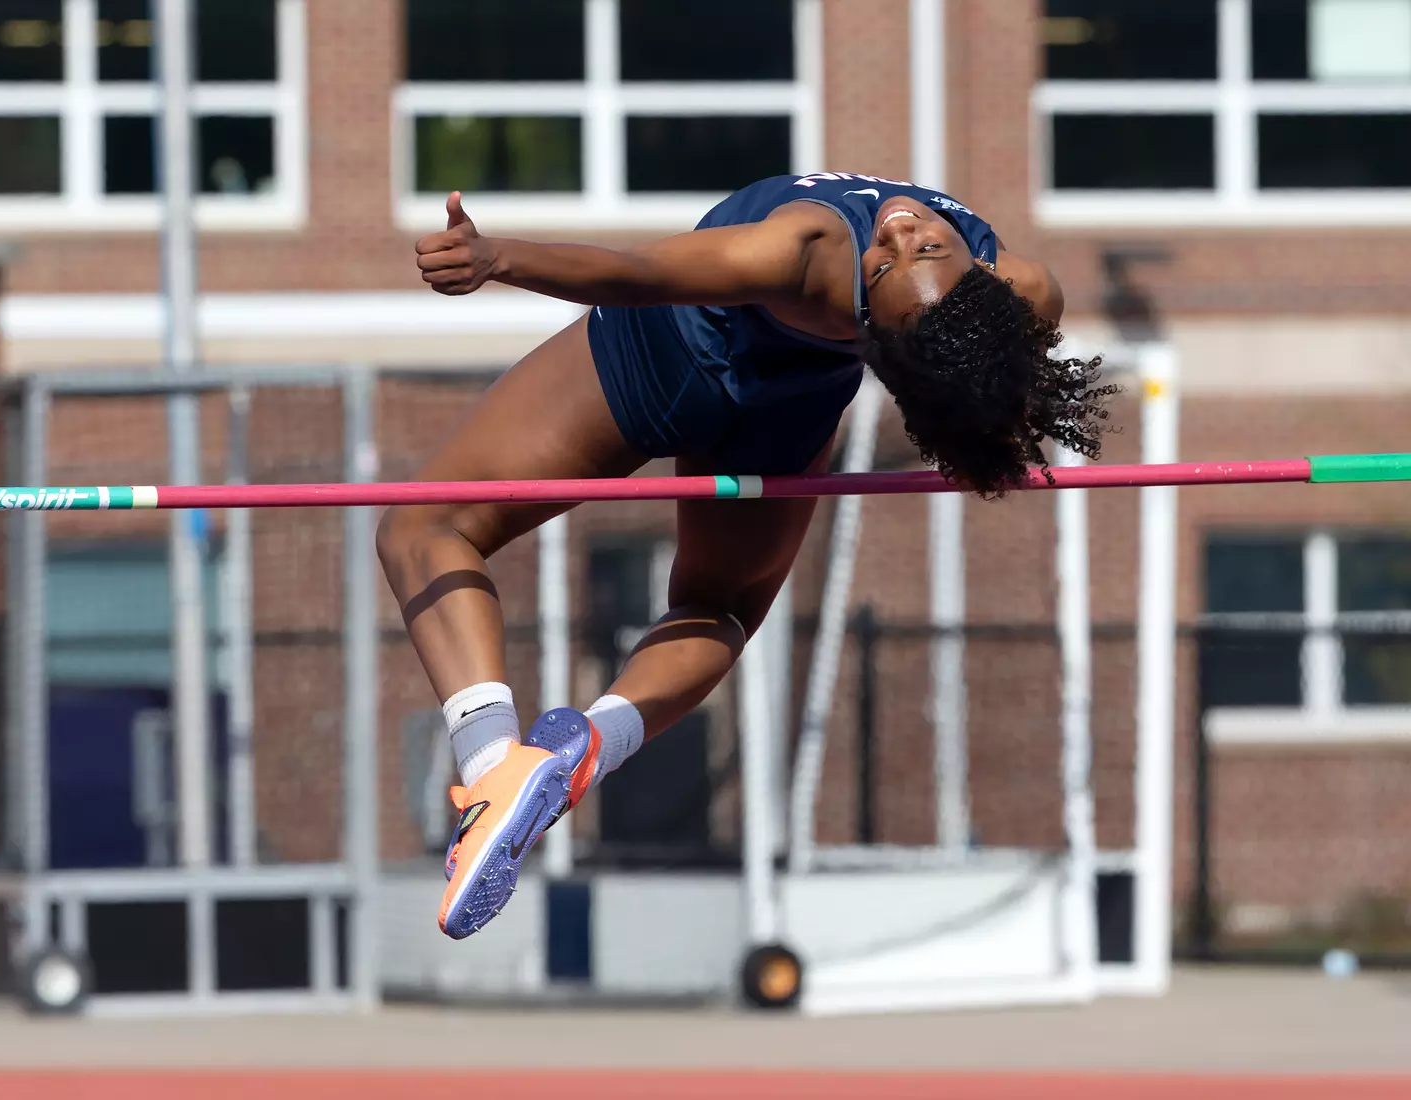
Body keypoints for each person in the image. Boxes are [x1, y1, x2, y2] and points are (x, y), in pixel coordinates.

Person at [375, 171, 1115, 939]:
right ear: (984, 280)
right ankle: (582, 751)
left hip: (657, 359)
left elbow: (644, 276)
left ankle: (495, 766)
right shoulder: (1024, 294)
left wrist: (499, 259)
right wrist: (984, 433)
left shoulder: (811, 250)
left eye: (895, 261)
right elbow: (992, 388)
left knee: (423, 528)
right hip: (787, 412)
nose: (898, 232)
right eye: (916, 246)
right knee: (720, 607)